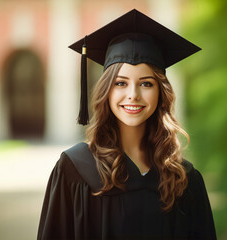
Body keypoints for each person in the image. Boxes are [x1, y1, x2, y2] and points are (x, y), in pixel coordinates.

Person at [38, 9, 217, 240]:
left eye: (146, 84)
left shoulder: (185, 180)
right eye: (121, 83)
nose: (133, 95)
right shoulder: (75, 170)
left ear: (161, 93)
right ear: (107, 91)